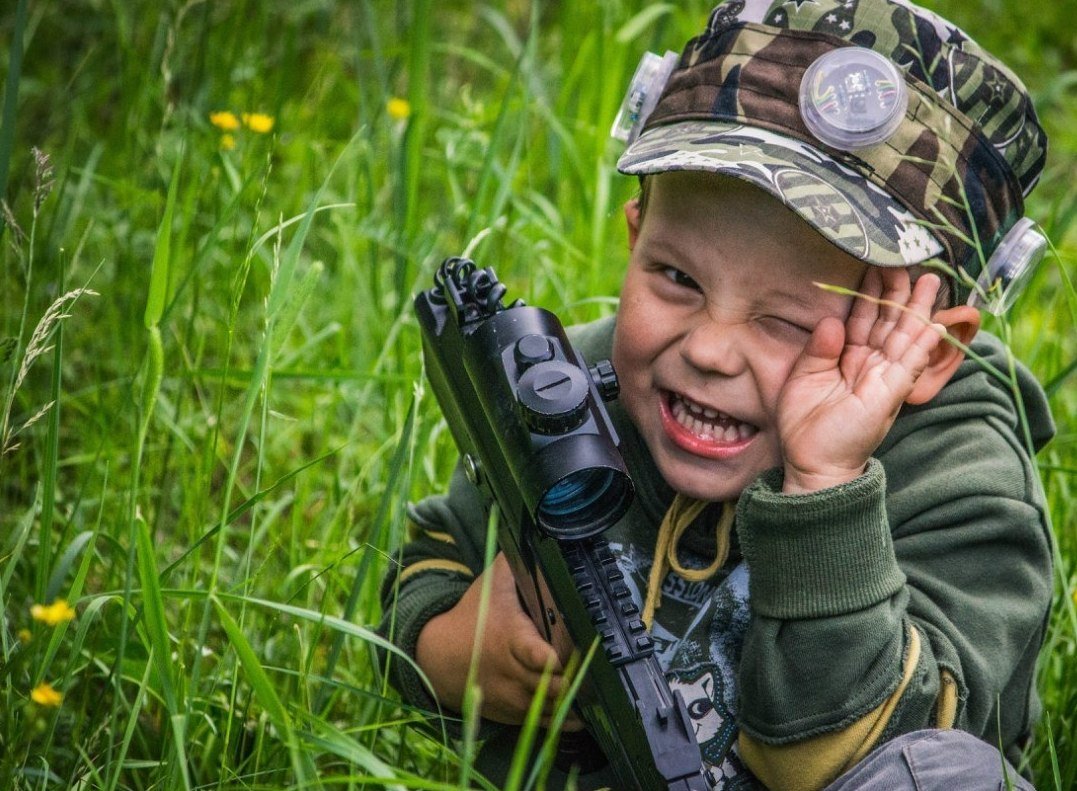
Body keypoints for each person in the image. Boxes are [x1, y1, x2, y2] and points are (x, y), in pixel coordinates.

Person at [378, 0, 1056, 788]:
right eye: (676, 278)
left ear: (926, 351)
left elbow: (854, 755)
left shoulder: (959, 483)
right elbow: (432, 557)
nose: (705, 349)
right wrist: (457, 649)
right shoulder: (586, 385)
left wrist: (823, 488)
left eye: (786, 322)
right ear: (634, 237)